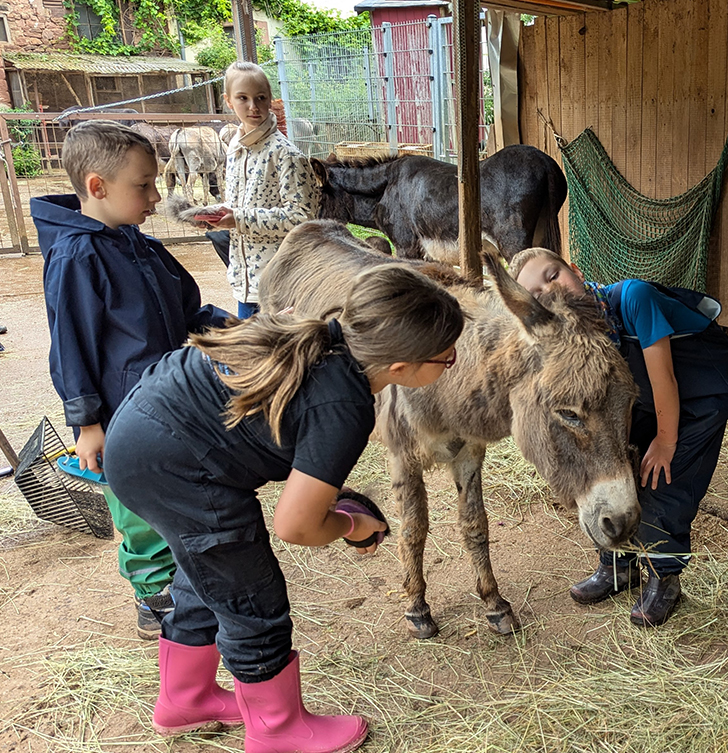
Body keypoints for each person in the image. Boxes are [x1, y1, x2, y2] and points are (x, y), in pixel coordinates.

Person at [103, 264, 463, 751]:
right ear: (400, 368)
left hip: (145, 436)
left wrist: (335, 506)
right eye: (446, 359)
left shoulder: (325, 340)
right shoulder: (346, 405)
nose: (454, 361)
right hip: (175, 464)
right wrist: (349, 526)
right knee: (250, 597)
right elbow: (295, 525)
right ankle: (277, 729)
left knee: (206, 575)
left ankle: (186, 700)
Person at [30, 121, 230, 639]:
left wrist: (244, 331)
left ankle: (185, 582)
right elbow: (70, 343)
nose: (156, 195)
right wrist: (87, 422)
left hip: (165, 399)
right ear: (97, 186)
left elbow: (189, 311)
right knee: (138, 506)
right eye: (142, 185)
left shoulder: (138, 243)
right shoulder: (77, 256)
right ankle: (154, 598)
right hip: (122, 411)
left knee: (172, 493)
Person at [510, 248, 728, 627]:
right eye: (537, 295)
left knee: (665, 478)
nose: (551, 291)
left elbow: (664, 378)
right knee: (625, 468)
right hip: (646, 395)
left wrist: (666, 442)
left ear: (576, 270)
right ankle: (618, 567)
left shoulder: (634, 298)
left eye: (553, 275)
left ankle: (664, 577)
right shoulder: (573, 338)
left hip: (702, 390)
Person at [200, 61, 321, 319]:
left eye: (260, 98)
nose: (253, 106)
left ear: (270, 100)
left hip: (280, 283)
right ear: (229, 101)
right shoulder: (235, 147)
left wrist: (239, 219)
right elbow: (239, 203)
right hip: (245, 281)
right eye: (243, 98)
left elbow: (303, 218)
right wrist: (217, 217)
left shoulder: (286, 154)